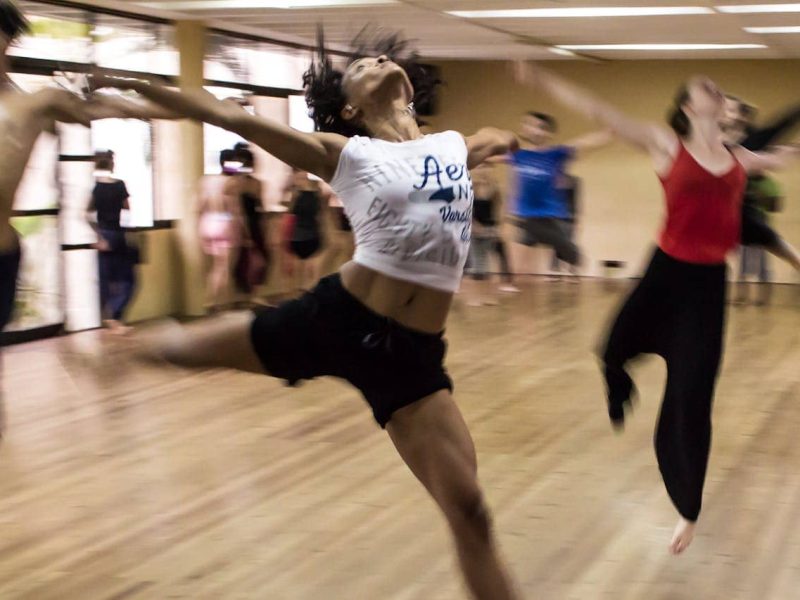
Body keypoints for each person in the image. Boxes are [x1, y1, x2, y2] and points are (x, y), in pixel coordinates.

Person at [93, 30, 521, 600]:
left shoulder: (450, 146)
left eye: (379, 57)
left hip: (408, 356)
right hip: (337, 318)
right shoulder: (345, 154)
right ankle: (121, 355)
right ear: (350, 109)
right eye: (359, 67)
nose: (375, 60)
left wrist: (515, 138)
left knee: (471, 512)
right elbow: (225, 113)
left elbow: (495, 137)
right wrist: (131, 85)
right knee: (189, 350)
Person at [515, 62, 800, 555]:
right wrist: (542, 80)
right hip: (664, 275)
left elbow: (785, 155)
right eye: (705, 87)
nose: (715, 87)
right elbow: (599, 110)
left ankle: (687, 508)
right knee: (612, 349)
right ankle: (619, 388)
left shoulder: (740, 158)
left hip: (707, 289)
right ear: (689, 106)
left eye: (718, 86)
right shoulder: (665, 144)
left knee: (694, 393)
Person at [505, 111, 611, 276]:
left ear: (548, 133)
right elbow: (489, 156)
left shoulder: (555, 154)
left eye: (539, 127)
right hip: (525, 217)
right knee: (519, 266)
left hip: (550, 218)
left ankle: (568, 260)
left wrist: (609, 133)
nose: (533, 130)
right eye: (528, 125)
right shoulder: (518, 155)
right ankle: (513, 285)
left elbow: (584, 143)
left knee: (575, 258)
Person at [86, 150, 136, 333]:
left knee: (107, 278)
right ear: (111, 163)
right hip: (117, 234)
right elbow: (127, 211)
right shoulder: (119, 185)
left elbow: (87, 214)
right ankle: (114, 317)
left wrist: (99, 237)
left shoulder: (96, 188)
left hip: (104, 234)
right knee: (127, 279)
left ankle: (109, 317)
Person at [198, 148, 247, 311]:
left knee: (215, 267)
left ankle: (209, 300)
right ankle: (219, 303)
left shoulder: (207, 181)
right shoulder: (232, 183)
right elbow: (235, 210)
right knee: (224, 267)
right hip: (225, 225)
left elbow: (200, 207)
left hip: (207, 224)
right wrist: (244, 231)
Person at [463, 163, 516, 305]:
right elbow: (465, 208)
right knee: (478, 266)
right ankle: (473, 298)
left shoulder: (494, 189)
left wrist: (499, 226)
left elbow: (500, 208)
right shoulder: (470, 187)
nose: (484, 171)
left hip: (490, 229)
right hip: (474, 230)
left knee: (487, 267)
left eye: (487, 168)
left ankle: (486, 296)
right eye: (481, 168)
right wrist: (473, 225)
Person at [230, 143, 269, 301]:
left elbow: (261, 208)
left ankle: (251, 295)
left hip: (251, 223)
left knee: (256, 259)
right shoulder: (241, 184)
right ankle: (249, 296)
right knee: (245, 261)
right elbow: (240, 210)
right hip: (245, 224)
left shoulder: (248, 183)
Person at [282, 168, 328, 292]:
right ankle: (301, 295)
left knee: (308, 272)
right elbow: (289, 213)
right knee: (301, 273)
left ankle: (305, 295)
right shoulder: (297, 193)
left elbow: (322, 215)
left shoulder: (316, 193)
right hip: (301, 235)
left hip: (309, 234)